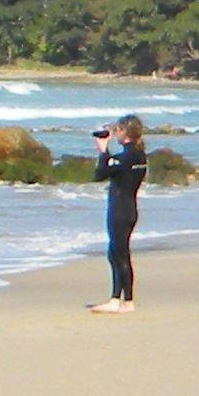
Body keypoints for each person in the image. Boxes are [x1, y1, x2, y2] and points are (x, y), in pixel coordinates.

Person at [90, 116, 146, 313]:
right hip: (130, 209)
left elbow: (99, 174)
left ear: (125, 132)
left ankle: (123, 300)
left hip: (119, 210)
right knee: (117, 254)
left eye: (118, 131)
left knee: (119, 254)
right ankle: (121, 299)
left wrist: (103, 151)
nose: (115, 134)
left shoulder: (125, 158)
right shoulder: (140, 156)